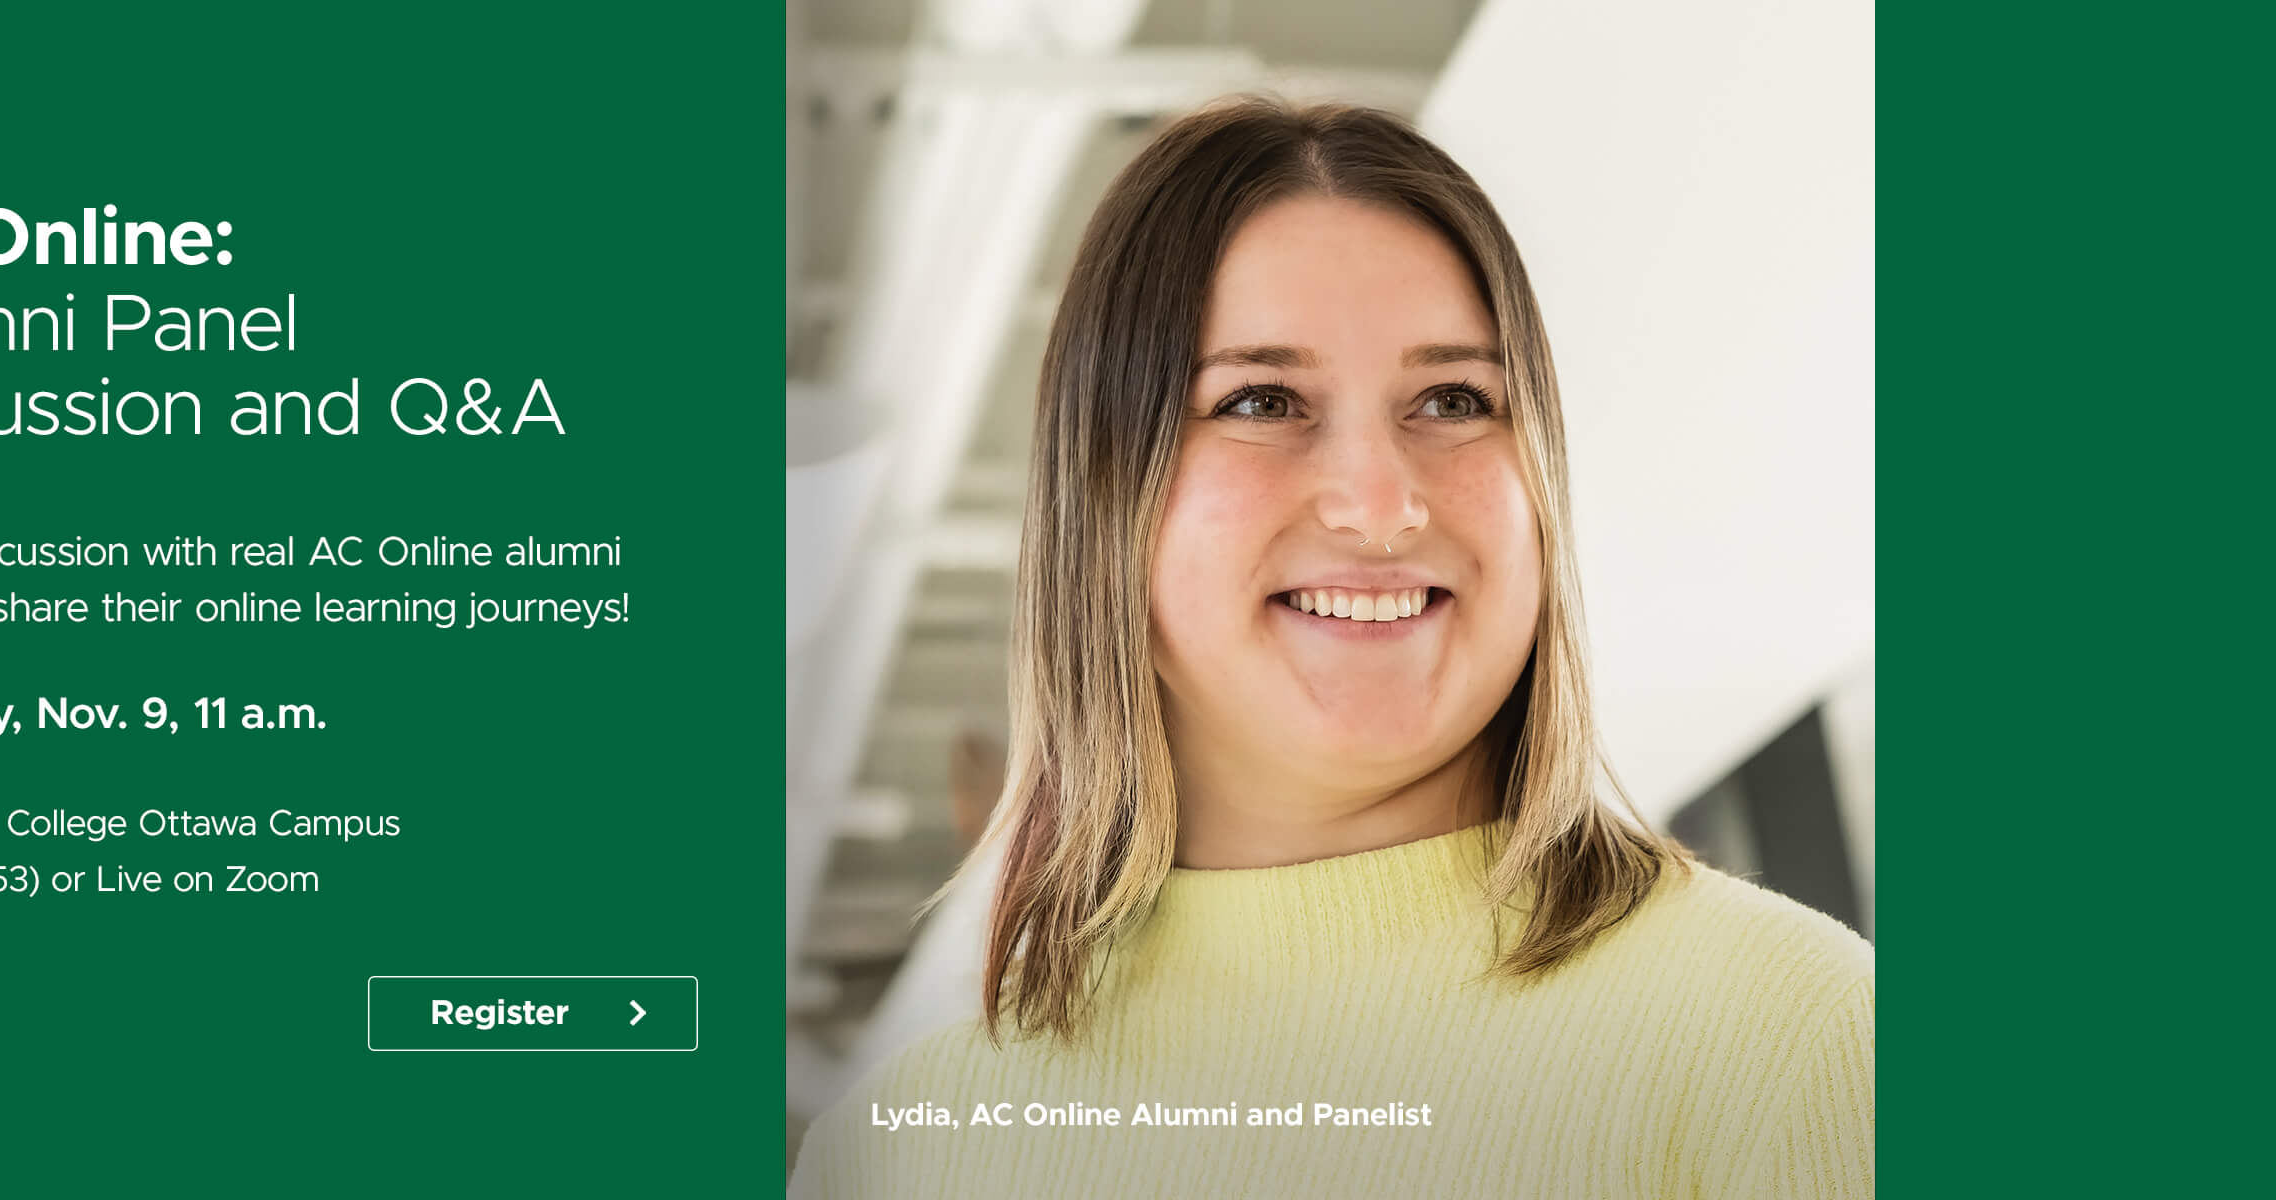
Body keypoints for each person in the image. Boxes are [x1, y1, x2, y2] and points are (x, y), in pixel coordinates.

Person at [791, 98, 1872, 1197]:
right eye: (1263, 400)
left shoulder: (1800, 1046)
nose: (1380, 504)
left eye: (1455, 399)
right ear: (1104, 505)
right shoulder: (896, 1157)